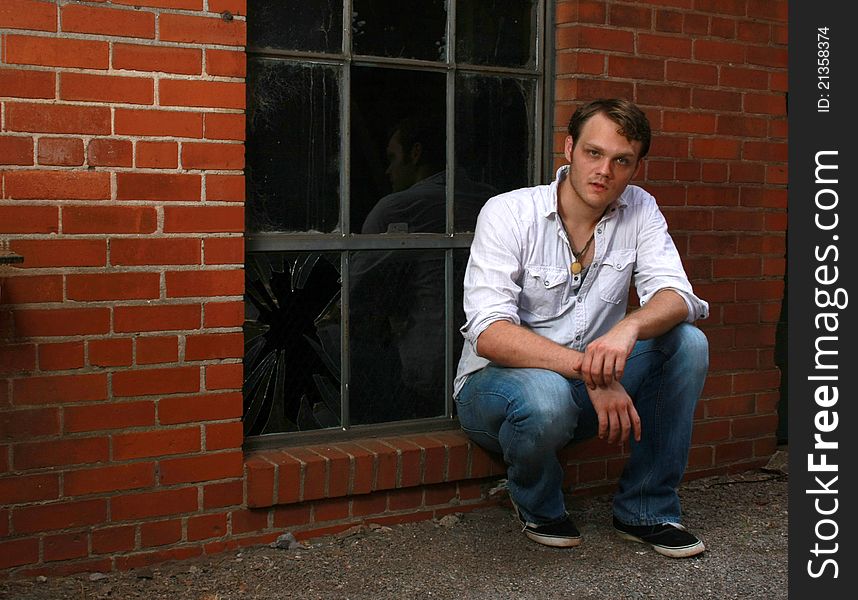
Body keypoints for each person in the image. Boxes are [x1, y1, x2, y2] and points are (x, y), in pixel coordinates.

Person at [453, 98, 710, 558]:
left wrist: (627, 330)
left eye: (621, 161)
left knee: (686, 342)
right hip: (497, 392)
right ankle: (536, 500)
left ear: (635, 167)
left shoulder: (640, 209)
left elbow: (678, 296)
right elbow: (489, 331)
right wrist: (594, 372)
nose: (604, 171)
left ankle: (646, 510)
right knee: (544, 396)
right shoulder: (509, 212)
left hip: (587, 387)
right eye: (594, 153)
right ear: (568, 149)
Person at [347, 116, 495, 423]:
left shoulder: (398, 208)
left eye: (392, 158)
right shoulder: (492, 201)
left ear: (415, 153)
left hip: (424, 365)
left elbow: (354, 293)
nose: (388, 171)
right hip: (487, 361)